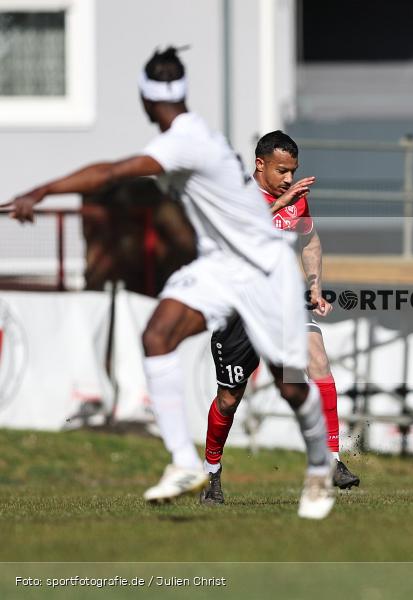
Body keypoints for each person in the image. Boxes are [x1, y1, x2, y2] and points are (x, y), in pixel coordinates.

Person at [2, 47, 335, 520]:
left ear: (145, 99)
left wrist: (41, 190)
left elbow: (111, 172)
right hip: (219, 268)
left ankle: (320, 469)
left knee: (292, 387)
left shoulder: (185, 140)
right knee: (157, 335)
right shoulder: (186, 135)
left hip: (263, 271)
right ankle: (184, 462)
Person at [200, 130, 360, 506]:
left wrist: (316, 286)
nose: (289, 178)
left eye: (293, 171)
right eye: (281, 170)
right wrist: (282, 201)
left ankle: (333, 461)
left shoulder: (295, 200)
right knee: (228, 399)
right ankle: (211, 476)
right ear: (260, 165)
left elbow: (311, 241)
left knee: (317, 360)